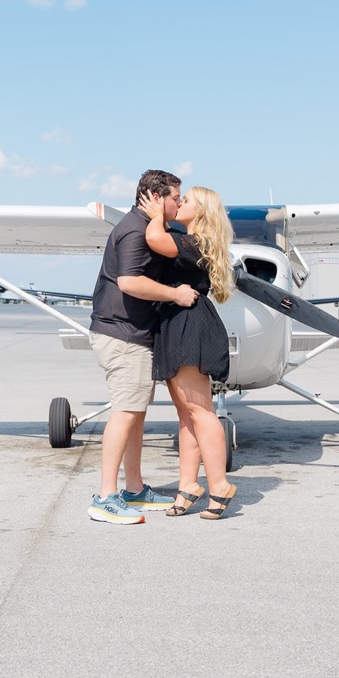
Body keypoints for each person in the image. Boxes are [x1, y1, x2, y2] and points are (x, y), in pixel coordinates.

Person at [86, 170, 201, 525]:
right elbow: (129, 281)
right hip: (122, 335)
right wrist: (176, 294)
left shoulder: (149, 227)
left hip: (134, 335)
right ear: (154, 196)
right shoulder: (135, 230)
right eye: (175, 197)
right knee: (124, 411)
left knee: (135, 411)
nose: (179, 203)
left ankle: (134, 489)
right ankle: (106, 496)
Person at [143, 185, 237, 520]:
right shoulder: (189, 240)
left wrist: (156, 214)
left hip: (189, 325)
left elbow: (154, 238)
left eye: (187, 200)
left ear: (201, 212)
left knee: (200, 412)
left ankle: (220, 484)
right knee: (187, 414)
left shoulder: (195, 243)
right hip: (176, 324)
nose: (180, 203)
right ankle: (188, 485)